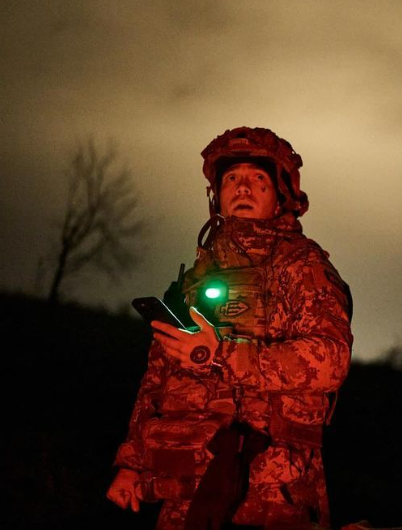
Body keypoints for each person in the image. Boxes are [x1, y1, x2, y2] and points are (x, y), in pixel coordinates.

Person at [106, 127, 353, 529]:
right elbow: (157, 378)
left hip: (269, 488)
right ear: (216, 196)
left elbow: (330, 361)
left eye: (258, 178)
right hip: (186, 489)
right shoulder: (195, 280)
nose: (243, 187)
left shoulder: (301, 265)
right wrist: (131, 464)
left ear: (280, 195)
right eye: (232, 179)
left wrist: (222, 354)